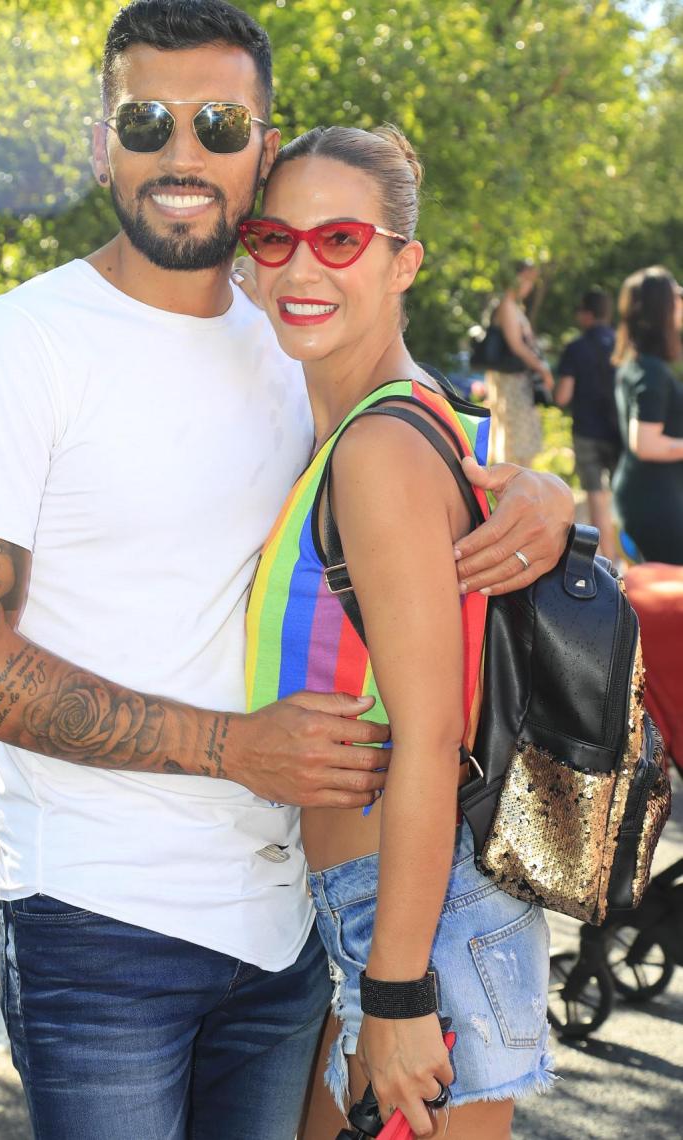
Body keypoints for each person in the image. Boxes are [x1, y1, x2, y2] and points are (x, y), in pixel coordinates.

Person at [0, 3, 573, 1137]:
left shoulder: (289, 325)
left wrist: (540, 498)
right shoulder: (14, 344)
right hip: (101, 923)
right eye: (146, 120)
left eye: (219, 124)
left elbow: (411, 450)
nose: (182, 153)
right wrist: (230, 748)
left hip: (286, 931)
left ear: (264, 145)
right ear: (98, 139)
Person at [243, 125, 553, 1140]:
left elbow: (428, 732)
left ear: (403, 260)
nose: (299, 266)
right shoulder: (393, 418)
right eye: (272, 237)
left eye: (339, 240)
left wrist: (397, 993)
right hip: (385, 914)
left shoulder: (379, 444)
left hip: (415, 925)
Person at [611, 265, 683, 565]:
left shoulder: (640, 364)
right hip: (655, 503)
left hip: (648, 496)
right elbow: (647, 443)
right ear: (662, 308)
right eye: (676, 294)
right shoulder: (651, 371)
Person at [555, 287, 621, 560]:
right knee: (623, 499)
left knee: (596, 497)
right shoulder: (622, 345)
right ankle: (634, 561)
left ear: (587, 315)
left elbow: (562, 396)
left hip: (587, 431)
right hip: (619, 431)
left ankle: (610, 563)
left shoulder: (576, 348)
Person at [485, 260, 554, 466]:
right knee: (513, 438)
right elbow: (517, 346)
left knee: (523, 438)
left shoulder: (514, 306)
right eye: (527, 280)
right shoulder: (506, 305)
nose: (529, 286)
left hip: (519, 380)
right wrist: (543, 370)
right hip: (510, 381)